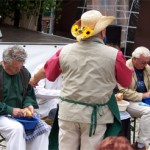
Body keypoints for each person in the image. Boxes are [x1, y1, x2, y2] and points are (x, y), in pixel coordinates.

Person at [30, 10, 133, 150]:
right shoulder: (115, 55)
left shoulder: (64, 51)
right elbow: (126, 81)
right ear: (103, 32)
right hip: (95, 116)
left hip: (68, 113)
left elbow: (48, 73)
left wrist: (34, 79)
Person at [0, 45, 50, 150]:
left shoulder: (23, 71)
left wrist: (29, 105)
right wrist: (10, 110)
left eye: (20, 66)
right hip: (2, 114)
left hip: (19, 114)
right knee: (17, 129)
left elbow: (28, 93)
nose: (19, 70)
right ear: (4, 63)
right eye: (15, 67)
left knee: (44, 128)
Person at [118, 46, 150, 150]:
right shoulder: (125, 67)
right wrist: (142, 95)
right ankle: (140, 145)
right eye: (143, 62)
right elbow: (122, 91)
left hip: (145, 100)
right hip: (127, 101)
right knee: (149, 112)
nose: (145, 65)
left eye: (147, 62)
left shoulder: (147, 68)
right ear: (134, 58)